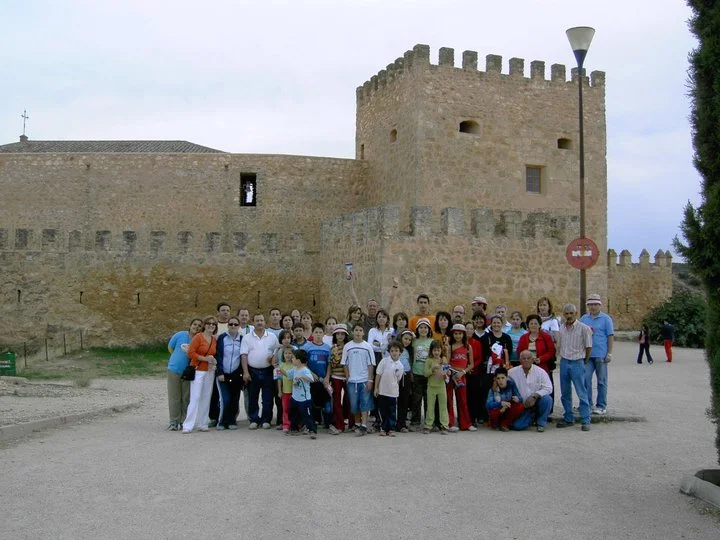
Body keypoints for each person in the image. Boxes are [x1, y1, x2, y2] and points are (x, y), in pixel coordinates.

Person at [556, 304, 593, 431]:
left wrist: (584, 361)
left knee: (581, 392)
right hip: (564, 362)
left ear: (576, 314)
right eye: (566, 313)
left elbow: (589, 347)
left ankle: (585, 419)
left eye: (571, 313)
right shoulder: (562, 328)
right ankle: (568, 418)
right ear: (563, 314)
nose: (569, 316)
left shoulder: (584, 328)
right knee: (565, 392)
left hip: (577, 362)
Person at [240, 313, 280, 430]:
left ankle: (266, 420)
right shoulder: (247, 337)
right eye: (257, 320)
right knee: (253, 396)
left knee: (267, 397)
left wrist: (273, 357)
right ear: (253, 322)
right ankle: (254, 419)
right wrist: (246, 372)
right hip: (252, 371)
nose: (259, 323)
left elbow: (277, 350)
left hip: (268, 371)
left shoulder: (272, 336)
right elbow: (244, 355)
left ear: (265, 322)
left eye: (261, 320)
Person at [182, 316, 218, 433]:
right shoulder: (198, 337)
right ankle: (188, 425)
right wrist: (204, 358)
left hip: (209, 371)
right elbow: (190, 352)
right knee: (195, 397)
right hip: (198, 370)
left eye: (213, 324)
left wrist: (212, 361)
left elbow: (214, 354)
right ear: (204, 325)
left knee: (206, 397)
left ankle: (202, 423)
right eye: (208, 323)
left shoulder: (214, 340)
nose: (211, 325)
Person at [580, 294, 614, 416]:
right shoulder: (584, 319)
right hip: (588, 355)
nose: (593, 307)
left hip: (601, 354)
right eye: (591, 305)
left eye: (595, 304)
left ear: (599, 305)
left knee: (601, 381)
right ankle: (587, 404)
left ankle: (601, 405)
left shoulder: (606, 319)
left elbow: (610, 336)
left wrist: (609, 353)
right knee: (585, 379)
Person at [166, 318, 203, 431]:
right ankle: (174, 421)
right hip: (174, 369)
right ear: (190, 325)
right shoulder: (180, 335)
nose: (196, 327)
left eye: (199, 326)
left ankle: (184, 421)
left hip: (188, 371)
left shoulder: (199, 339)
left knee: (186, 397)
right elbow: (170, 347)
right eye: (194, 324)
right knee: (174, 397)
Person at [341, 324, 376, 436]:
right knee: (354, 404)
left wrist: (370, 380)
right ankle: (357, 423)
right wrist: (348, 377)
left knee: (365, 403)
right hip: (352, 381)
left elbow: (371, 364)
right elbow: (345, 363)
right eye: (356, 330)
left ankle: (364, 425)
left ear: (363, 333)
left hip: (364, 380)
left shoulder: (368, 346)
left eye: (360, 330)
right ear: (352, 332)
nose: (358, 332)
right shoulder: (347, 346)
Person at [517, 314, 556, 411]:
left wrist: (541, 359)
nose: (533, 325)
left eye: (535, 323)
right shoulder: (524, 338)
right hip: (527, 367)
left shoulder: (546, 337)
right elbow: (519, 351)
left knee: (545, 387)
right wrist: (526, 359)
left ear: (539, 325)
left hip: (542, 366)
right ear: (528, 325)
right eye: (531, 323)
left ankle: (547, 410)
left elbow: (551, 351)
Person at [509, 350, 553, 432]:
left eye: (528, 358)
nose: (526, 360)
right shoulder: (512, 372)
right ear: (520, 360)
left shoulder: (541, 372)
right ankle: (532, 417)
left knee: (547, 399)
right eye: (523, 358)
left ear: (532, 360)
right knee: (517, 426)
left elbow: (548, 388)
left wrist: (535, 396)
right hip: (522, 405)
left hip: (537, 401)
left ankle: (541, 423)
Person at [215, 316, 244, 431]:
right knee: (225, 399)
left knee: (234, 399)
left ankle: (232, 420)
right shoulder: (222, 338)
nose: (233, 326)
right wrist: (220, 372)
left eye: (235, 324)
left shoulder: (242, 339)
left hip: (236, 374)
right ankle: (222, 421)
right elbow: (218, 355)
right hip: (223, 374)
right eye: (231, 324)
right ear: (227, 325)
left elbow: (243, 356)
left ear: (239, 326)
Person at [304, 323, 334, 431]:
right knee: (312, 402)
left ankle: (328, 423)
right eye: (316, 332)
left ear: (323, 334)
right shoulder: (307, 347)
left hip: (323, 380)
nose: (318, 334)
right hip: (311, 380)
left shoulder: (327, 348)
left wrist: (327, 377)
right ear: (312, 333)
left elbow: (329, 364)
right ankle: (312, 424)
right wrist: (311, 374)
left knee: (327, 403)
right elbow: (303, 364)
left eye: (320, 332)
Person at [447, 323, 475, 431]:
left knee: (462, 400)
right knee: (449, 399)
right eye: (456, 334)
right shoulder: (450, 347)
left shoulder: (468, 347)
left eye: (460, 333)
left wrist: (463, 372)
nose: (458, 336)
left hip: (461, 376)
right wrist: (451, 371)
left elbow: (471, 364)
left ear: (464, 334)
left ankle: (465, 424)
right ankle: (450, 423)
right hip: (451, 375)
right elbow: (448, 362)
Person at [374, 340, 405, 436]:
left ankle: (391, 428)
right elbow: (378, 374)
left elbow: (398, 379)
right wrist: (376, 388)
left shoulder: (400, 366)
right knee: (383, 410)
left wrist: (395, 389)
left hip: (393, 393)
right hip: (382, 391)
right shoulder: (384, 361)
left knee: (392, 411)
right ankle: (383, 428)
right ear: (389, 352)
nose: (394, 353)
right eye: (392, 351)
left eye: (396, 350)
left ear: (400, 352)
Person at [286, 349, 318, 439]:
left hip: (304, 399)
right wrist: (278, 367)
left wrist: (303, 376)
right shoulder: (295, 369)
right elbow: (287, 374)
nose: (292, 359)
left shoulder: (305, 370)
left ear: (298, 360)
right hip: (294, 397)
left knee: (307, 415)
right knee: (292, 413)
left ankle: (312, 430)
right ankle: (294, 428)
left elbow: (312, 379)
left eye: (293, 358)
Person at [329, 324, 354, 433]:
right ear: (335, 335)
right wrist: (335, 359)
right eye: (338, 334)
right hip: (336, 376)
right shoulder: (332, 348)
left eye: (342, 334)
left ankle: (352, 424)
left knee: (350, 400)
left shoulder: (349, 347)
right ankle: (339, 425)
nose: (340, 336)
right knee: (337, 401)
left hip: (348, 377)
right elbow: (331, 364)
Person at [410, 318, 433, 427]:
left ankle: (429, 422)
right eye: (421, 327)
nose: (423, 330)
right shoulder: (414, 342)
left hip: (428, 374)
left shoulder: (432, 342)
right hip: (416, 373)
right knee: (416, 399)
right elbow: (411, 357)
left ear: (429, 329)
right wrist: (411, 371)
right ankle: (415, 421)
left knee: (428, 399)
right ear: (417, 329)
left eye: (425, 327)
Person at [424, 340, 450, 434]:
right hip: (431, 387)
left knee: (443, 407)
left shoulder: (443, 360)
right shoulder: (428, 361)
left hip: (441, 387)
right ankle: (428, 425)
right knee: (430, 407)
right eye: (434, 350)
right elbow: (425, 374)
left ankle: (445, 426)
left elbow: (448, 372)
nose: (436, 352)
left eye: (438, 350)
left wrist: (445, 370)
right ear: (431, 351)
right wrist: (432, 369)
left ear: (441, 351)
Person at [485, 367, 523, 431]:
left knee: (520, 406)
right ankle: (495, 424)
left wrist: (518, 399)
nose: (500, 380)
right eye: (498, 378)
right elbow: (488, 404)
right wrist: (500, 404)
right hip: (498, 410)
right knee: (493, 413)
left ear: (507, 377)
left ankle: (504, 423)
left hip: (508, 408)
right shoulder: (493, 388)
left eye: (503, 378)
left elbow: (520, 398)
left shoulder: (511, 384)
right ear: (495, 379)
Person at [467, 312, 487, 427]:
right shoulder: (461, 342)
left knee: (474, 395)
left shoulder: (477, 343)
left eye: (471, 329)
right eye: (467, 329)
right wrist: (466, 368)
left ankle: (473, 418)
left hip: (475, 372)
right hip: (463, 372)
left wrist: (472, 366)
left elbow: (480, 358)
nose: (469, 331)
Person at [276, 330, 295, 433]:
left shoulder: (295, 365)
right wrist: (280, 391)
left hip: (295, 391)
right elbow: (279, 379)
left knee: (295, 408)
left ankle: (296, 424)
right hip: (285, 391)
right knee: (285, 408)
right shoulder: (281, 366)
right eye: (286, 354)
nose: (288, 355)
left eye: (290, 353)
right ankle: (286, 424)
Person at [396, 330, 415, 433]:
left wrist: (411, 376)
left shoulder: (409, 351)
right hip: (395, 376)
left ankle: (401, 424)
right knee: (394, 400)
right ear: (401, 338)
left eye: (409, 340)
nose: (407, 341)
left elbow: (410, 364)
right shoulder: (395, 348)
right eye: (405, 338)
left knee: (404, 400)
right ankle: (392, 422)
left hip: (406, 376)